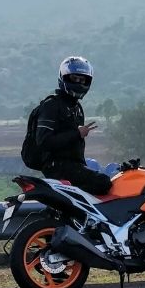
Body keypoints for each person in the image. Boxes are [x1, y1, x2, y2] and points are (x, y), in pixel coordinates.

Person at [31, 56, 112, 196]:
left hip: (72, 166)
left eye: (83, 80)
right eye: (75, 78)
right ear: (64, 78)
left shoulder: (76, 108)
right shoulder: (52, 105)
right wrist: (77, 133)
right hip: (56, 166)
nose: (79, 83)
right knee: (103, 182)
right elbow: (43, 141)